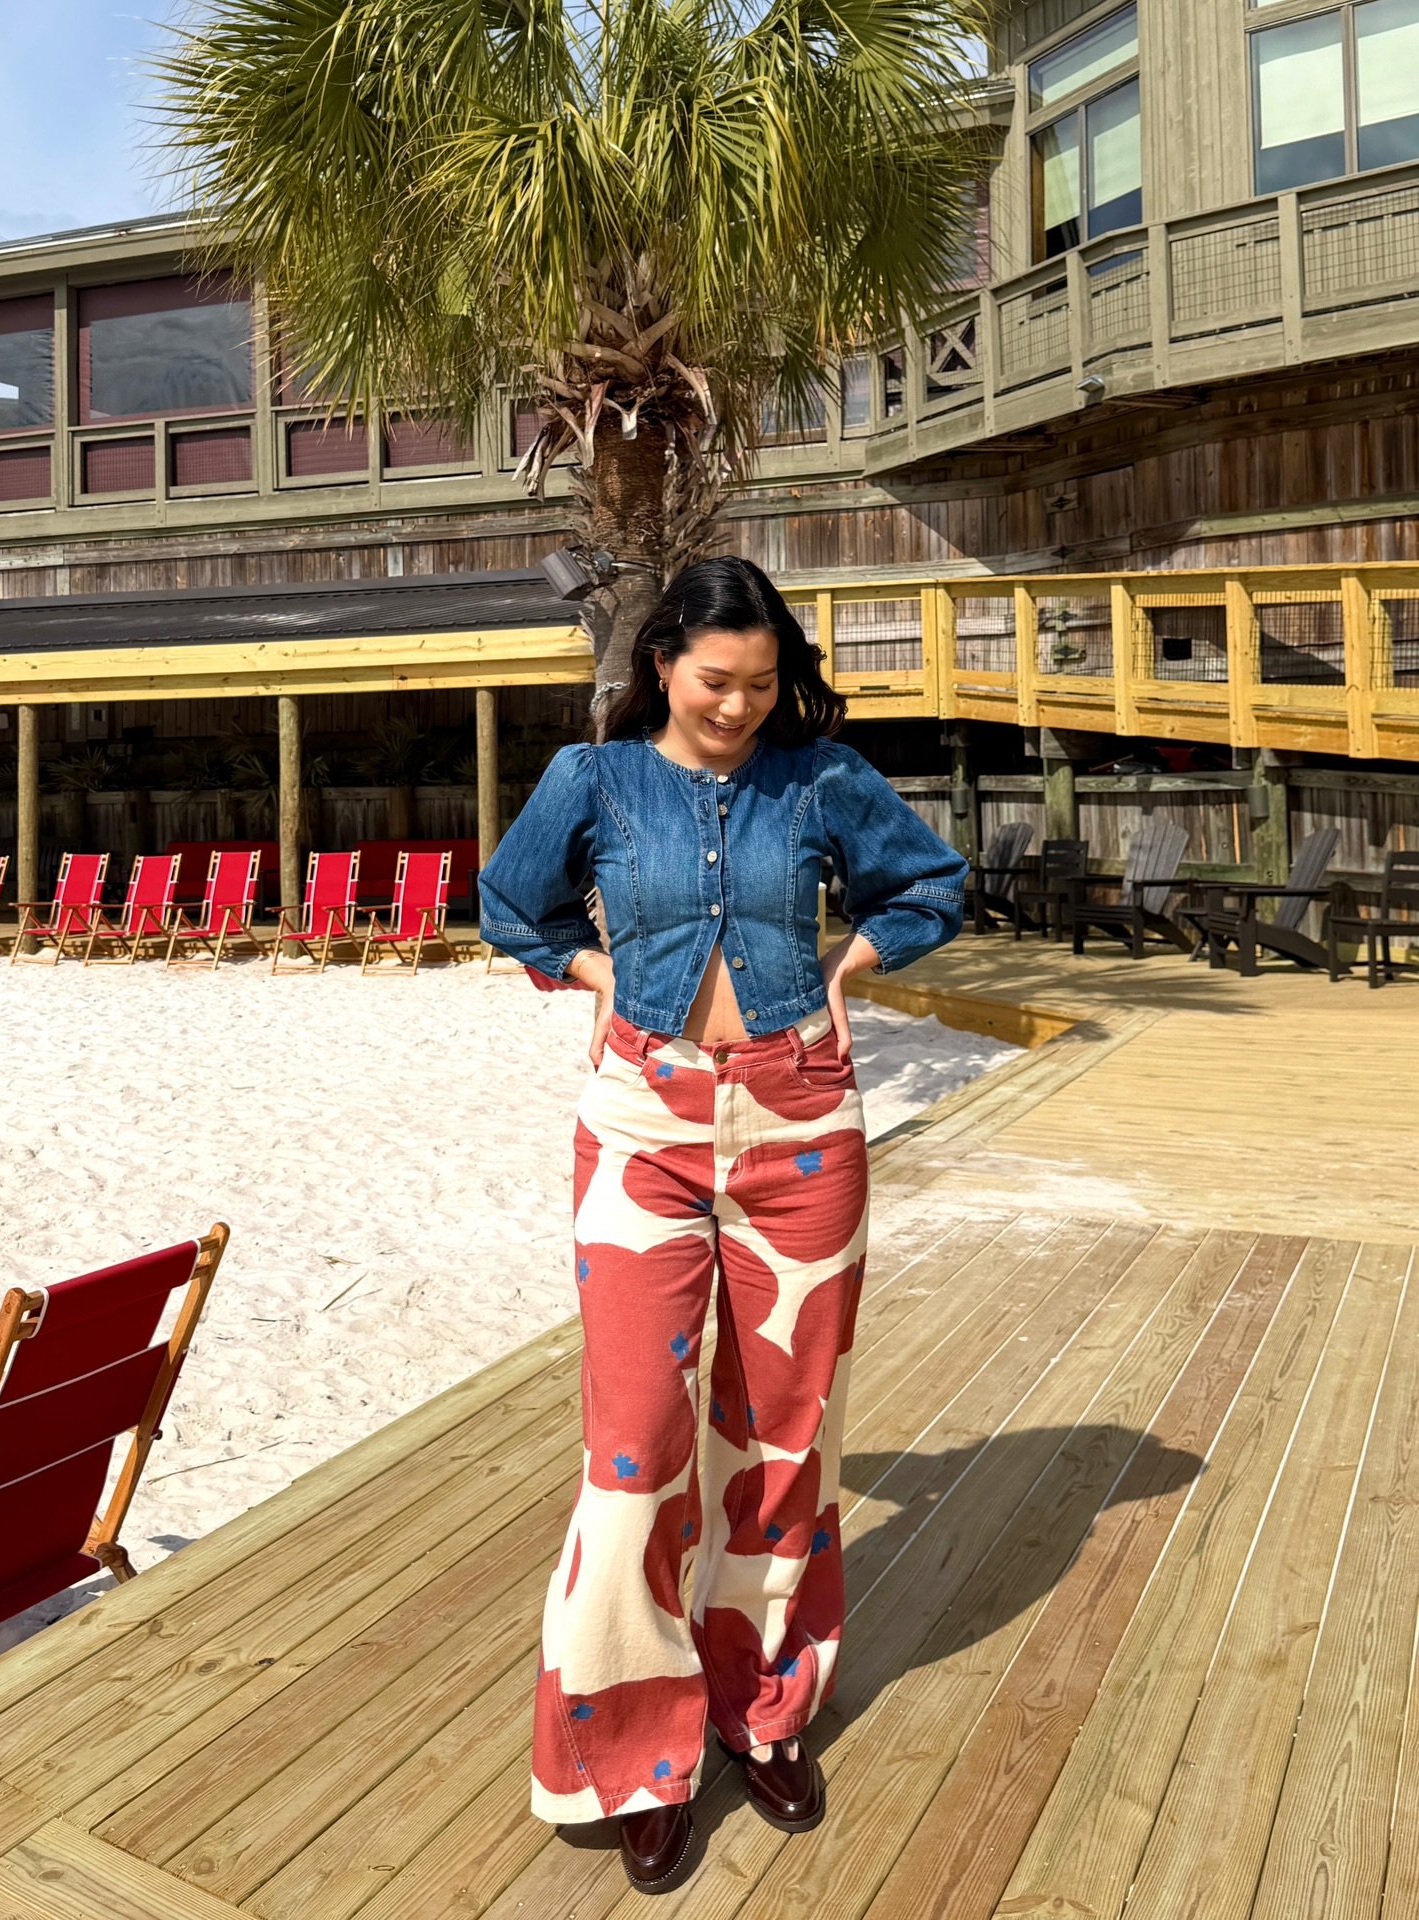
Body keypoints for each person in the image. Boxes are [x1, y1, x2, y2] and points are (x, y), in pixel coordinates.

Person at [477, 554, 968, 1893]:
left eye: (760, 683)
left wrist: (849, 966)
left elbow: (931, 886)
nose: (741, 708)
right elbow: (507, 904)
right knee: (634, 1442)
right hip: (642, 1123)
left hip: (802, 1129)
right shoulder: (594, 782)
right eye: (715, 684)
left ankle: (766, 1711)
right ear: (660, 671)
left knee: (786, 1432)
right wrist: (587, 975)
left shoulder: (821, 779)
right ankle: (635, 1750)